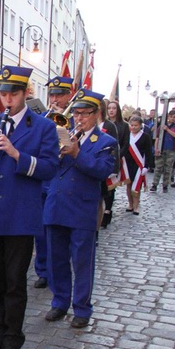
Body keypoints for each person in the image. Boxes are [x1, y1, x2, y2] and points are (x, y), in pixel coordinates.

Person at [0, 65, 59, 349]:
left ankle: (13, 339)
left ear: (25, 94)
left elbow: (49, 168)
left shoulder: (43, 127)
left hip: (20, 216)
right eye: (4, 93)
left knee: (14, 282)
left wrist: (17, 155)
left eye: (14, 94)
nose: (7, 99)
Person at [43, 89, 118, 328]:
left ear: (97, 114)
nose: (80, 118)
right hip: (56, 205)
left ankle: (82, 308)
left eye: (85, 114)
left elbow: (101, 171)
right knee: (57, 260)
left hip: (82, 209)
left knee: (82, 262)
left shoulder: (106, 142)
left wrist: (76, 153)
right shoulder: (61, 135)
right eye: (76, 113)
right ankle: (60, 302)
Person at [33, 76, 74, 289]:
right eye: (53, 94)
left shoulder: (74, 117)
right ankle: (42, 270)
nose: (56, 98)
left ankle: (58, 268)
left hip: (63, 180)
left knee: (59, 229)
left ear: (69, 95)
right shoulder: (44, 118)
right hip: (43, 179)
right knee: (40, 229)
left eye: (60, 94)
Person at [101, 100, 128, 228]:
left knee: (111, 187)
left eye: (114, 108)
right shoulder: (102, 123)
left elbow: (123, 144)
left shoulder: (123, 125)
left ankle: (108, 211)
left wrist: (119, 155)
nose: (111, 110)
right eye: (109, 108)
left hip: (117, 157)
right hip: (104, 159)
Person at [123, 115, 153, 215]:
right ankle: (130, 204)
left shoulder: (145, 137)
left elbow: (148, 152)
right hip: (127, 163)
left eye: (136, 125)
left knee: (137, 186)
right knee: (128, 185)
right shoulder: (127, 136)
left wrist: (146, 166)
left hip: (139, 164)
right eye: (132, 125)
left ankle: (136, 206)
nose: (133, 127)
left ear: (140, 125)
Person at [150, 109, 175, 193]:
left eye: (174, 117)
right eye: (171, 117)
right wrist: (156, 148)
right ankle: (154, 184)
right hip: (162, 148)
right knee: (158, 167)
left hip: (171, 149)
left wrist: (167, 129)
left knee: (168, 168)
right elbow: (157, 138)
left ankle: (165, 185)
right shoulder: (162, 126)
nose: (172, 118)